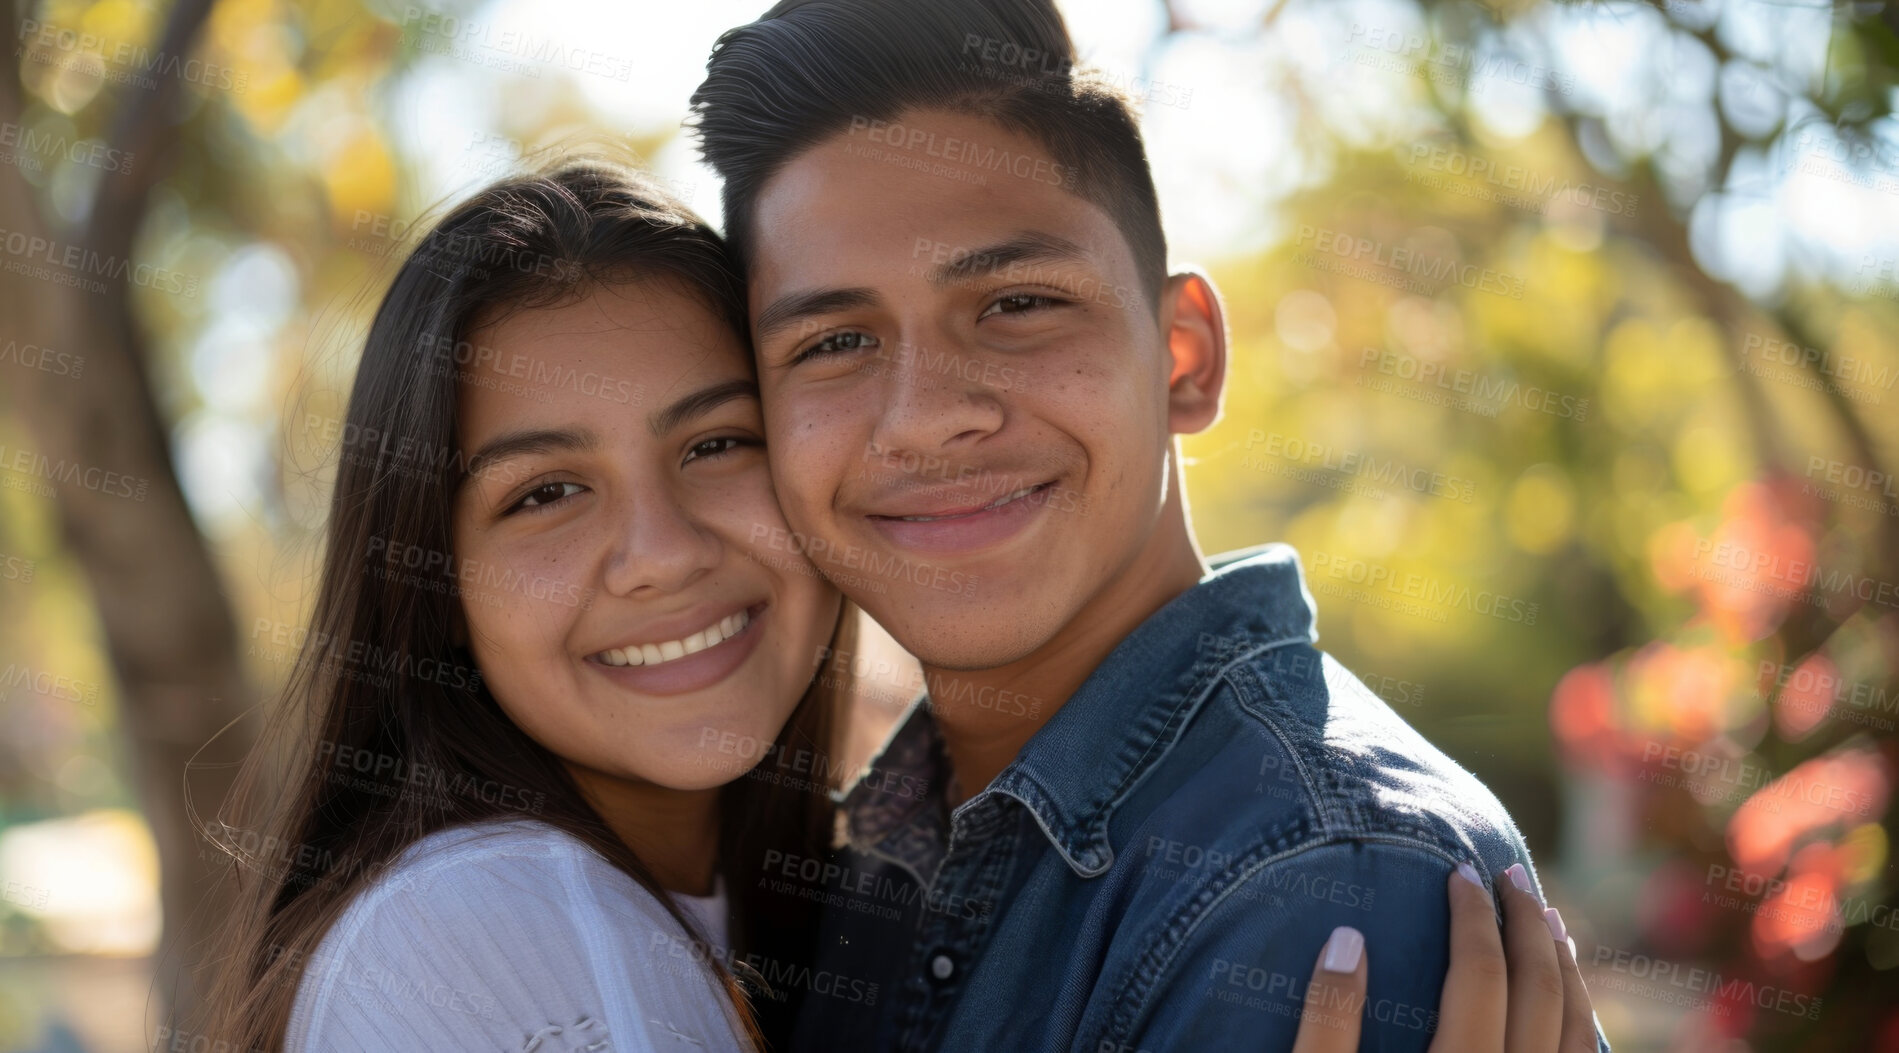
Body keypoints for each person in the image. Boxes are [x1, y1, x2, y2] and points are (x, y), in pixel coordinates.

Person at [688, 0, 1610, 1049]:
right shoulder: (866, 842)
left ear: (1184, 356)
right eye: (837, 341)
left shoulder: (1314, 878)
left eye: (1016, 305)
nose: (924, 417)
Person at [194, 163, 849, 1053]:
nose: (662, 551)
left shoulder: (823, 909)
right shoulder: (485, 927)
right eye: (545, 492)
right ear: (432, 582)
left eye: (720, 442)